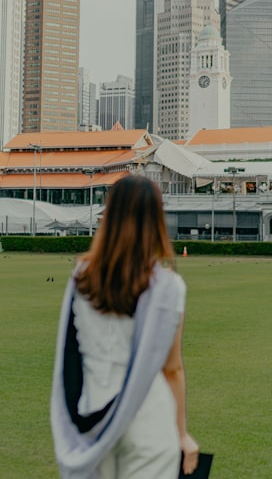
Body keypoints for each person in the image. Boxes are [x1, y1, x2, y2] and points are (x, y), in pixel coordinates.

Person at [51, 175, 200, 478]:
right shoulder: (167, 286)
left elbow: (70, 353)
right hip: (148, 418)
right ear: (157, 219)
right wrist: (182, 433)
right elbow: (172, 369)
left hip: (93, 418)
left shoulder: (82, 277)